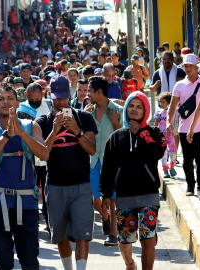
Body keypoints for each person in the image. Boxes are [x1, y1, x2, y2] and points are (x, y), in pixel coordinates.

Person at [0, 83, 49, 270]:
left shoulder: (31, 126)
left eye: (10, 98)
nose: (6, 102)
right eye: (1, 99)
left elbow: (44, 154)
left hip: (26, 202)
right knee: (3, 261)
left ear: (18, 103)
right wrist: (7, 136)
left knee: (29, 261)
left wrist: (21, 134)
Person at [35, 75, 97, 270]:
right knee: (60, 236)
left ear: (69, 95)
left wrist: (77, 131)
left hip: (81, 185)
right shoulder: (43, 122)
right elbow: (42, 155)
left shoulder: (84, 118)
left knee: (81, 235)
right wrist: (54, 131)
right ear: (50, 96)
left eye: (64, 97)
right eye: (56, 98)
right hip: (55, 186)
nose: (61, 102)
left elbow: (92, 149)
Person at [100, 92, 166, 270]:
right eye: (131, 105)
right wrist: (106, 194)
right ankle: (130, 264)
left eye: (139, 106)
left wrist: (141, 133)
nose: (134, 109)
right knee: (125, 240)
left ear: (145, 109)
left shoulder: (155, 133)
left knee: (148, 238)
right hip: (124, 195)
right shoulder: (116, 137)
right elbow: (108, 168)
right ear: (126, 109)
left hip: (149, 194)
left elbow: (157, 153)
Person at [86, 76, 123, 246]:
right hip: (94, 161)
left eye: (89, 91)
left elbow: (124, 137)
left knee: (113, 199)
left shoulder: (116, 110)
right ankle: (104, 216)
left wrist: (115, 122)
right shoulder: (88, 112)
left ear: (99, 92)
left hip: (112, 163)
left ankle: (113, 234)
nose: (87, 94)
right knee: (94, 198)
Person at [168, 54, 200, 198]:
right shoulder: (179, 85)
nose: (188, 69)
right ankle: (190, 185)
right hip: (183, 129)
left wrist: (192, 129)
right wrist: (169, 123)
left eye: (191, 66)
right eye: (186, 66)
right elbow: (172, 106)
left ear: (197, 67)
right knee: (187, 160)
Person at [154, 92, 177, 178]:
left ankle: (172, 167)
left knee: (173, 151)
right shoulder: (158, 112)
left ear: (168, 102)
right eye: (160, 102)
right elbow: (156, 124)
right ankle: (165, 170)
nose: (161, 104)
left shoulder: (172, 112)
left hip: (170, 134)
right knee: (163, 153)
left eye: (163, 102)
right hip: (161, 136)